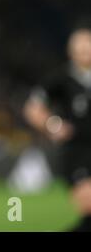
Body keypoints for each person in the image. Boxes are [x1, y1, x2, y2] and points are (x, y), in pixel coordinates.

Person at [24, 23, 91, 232]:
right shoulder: (61, 79)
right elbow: (32, 108)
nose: (85, 53)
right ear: (71, 52)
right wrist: (53, 125)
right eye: (81, 49)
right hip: (78, 153)